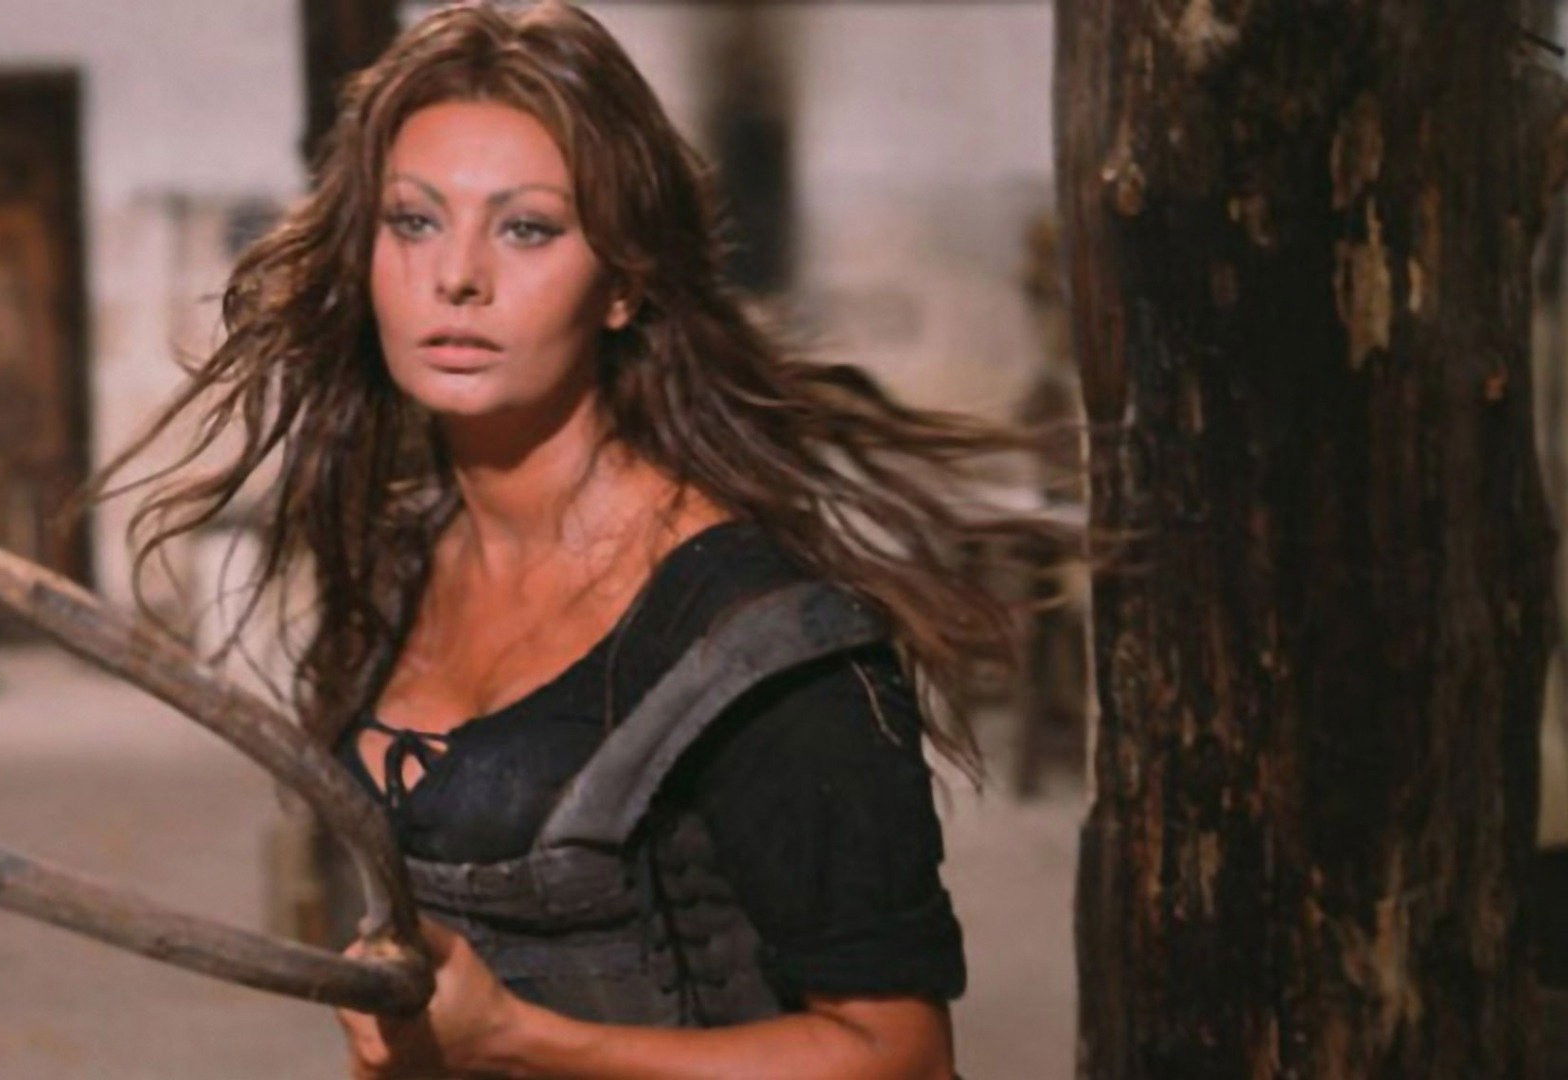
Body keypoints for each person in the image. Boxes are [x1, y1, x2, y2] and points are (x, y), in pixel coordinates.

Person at [100, 3, 1063, 1075]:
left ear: (624, 285)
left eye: (526, 229)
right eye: (414, 221)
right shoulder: (404, 561)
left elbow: (900, 1056)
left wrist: (520, 1037)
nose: (457, 276)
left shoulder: (755, 636)